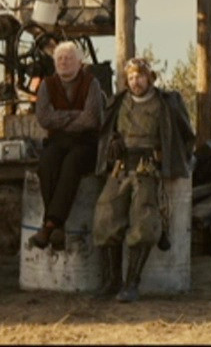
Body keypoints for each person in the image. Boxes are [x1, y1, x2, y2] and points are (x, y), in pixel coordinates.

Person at [91, 57, 195, 303]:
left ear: (150, 78)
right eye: (131, 77)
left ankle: (131, 284)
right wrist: (113, 142)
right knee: (105, 217)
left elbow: (186, 136)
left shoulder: (167, 103)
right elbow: (106, 131)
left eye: (139, 76)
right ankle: (112, 280)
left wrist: (170, 158)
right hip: (120, 168)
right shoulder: (118, 102)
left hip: (147, 169)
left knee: (144, 222)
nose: (135, 82)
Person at [27, 41, 105, 251]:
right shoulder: (47, 85)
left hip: (86, 142)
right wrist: (74, 116)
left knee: (73, 163)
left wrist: (61, 119)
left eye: (69, 58)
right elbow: (44, 118)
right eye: (60, 58)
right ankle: (57, 226)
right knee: (47, 163)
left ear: (79, 62)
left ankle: (49, 225)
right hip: (57, 141)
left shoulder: (91, 83)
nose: (64, 62)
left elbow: (91, 119)